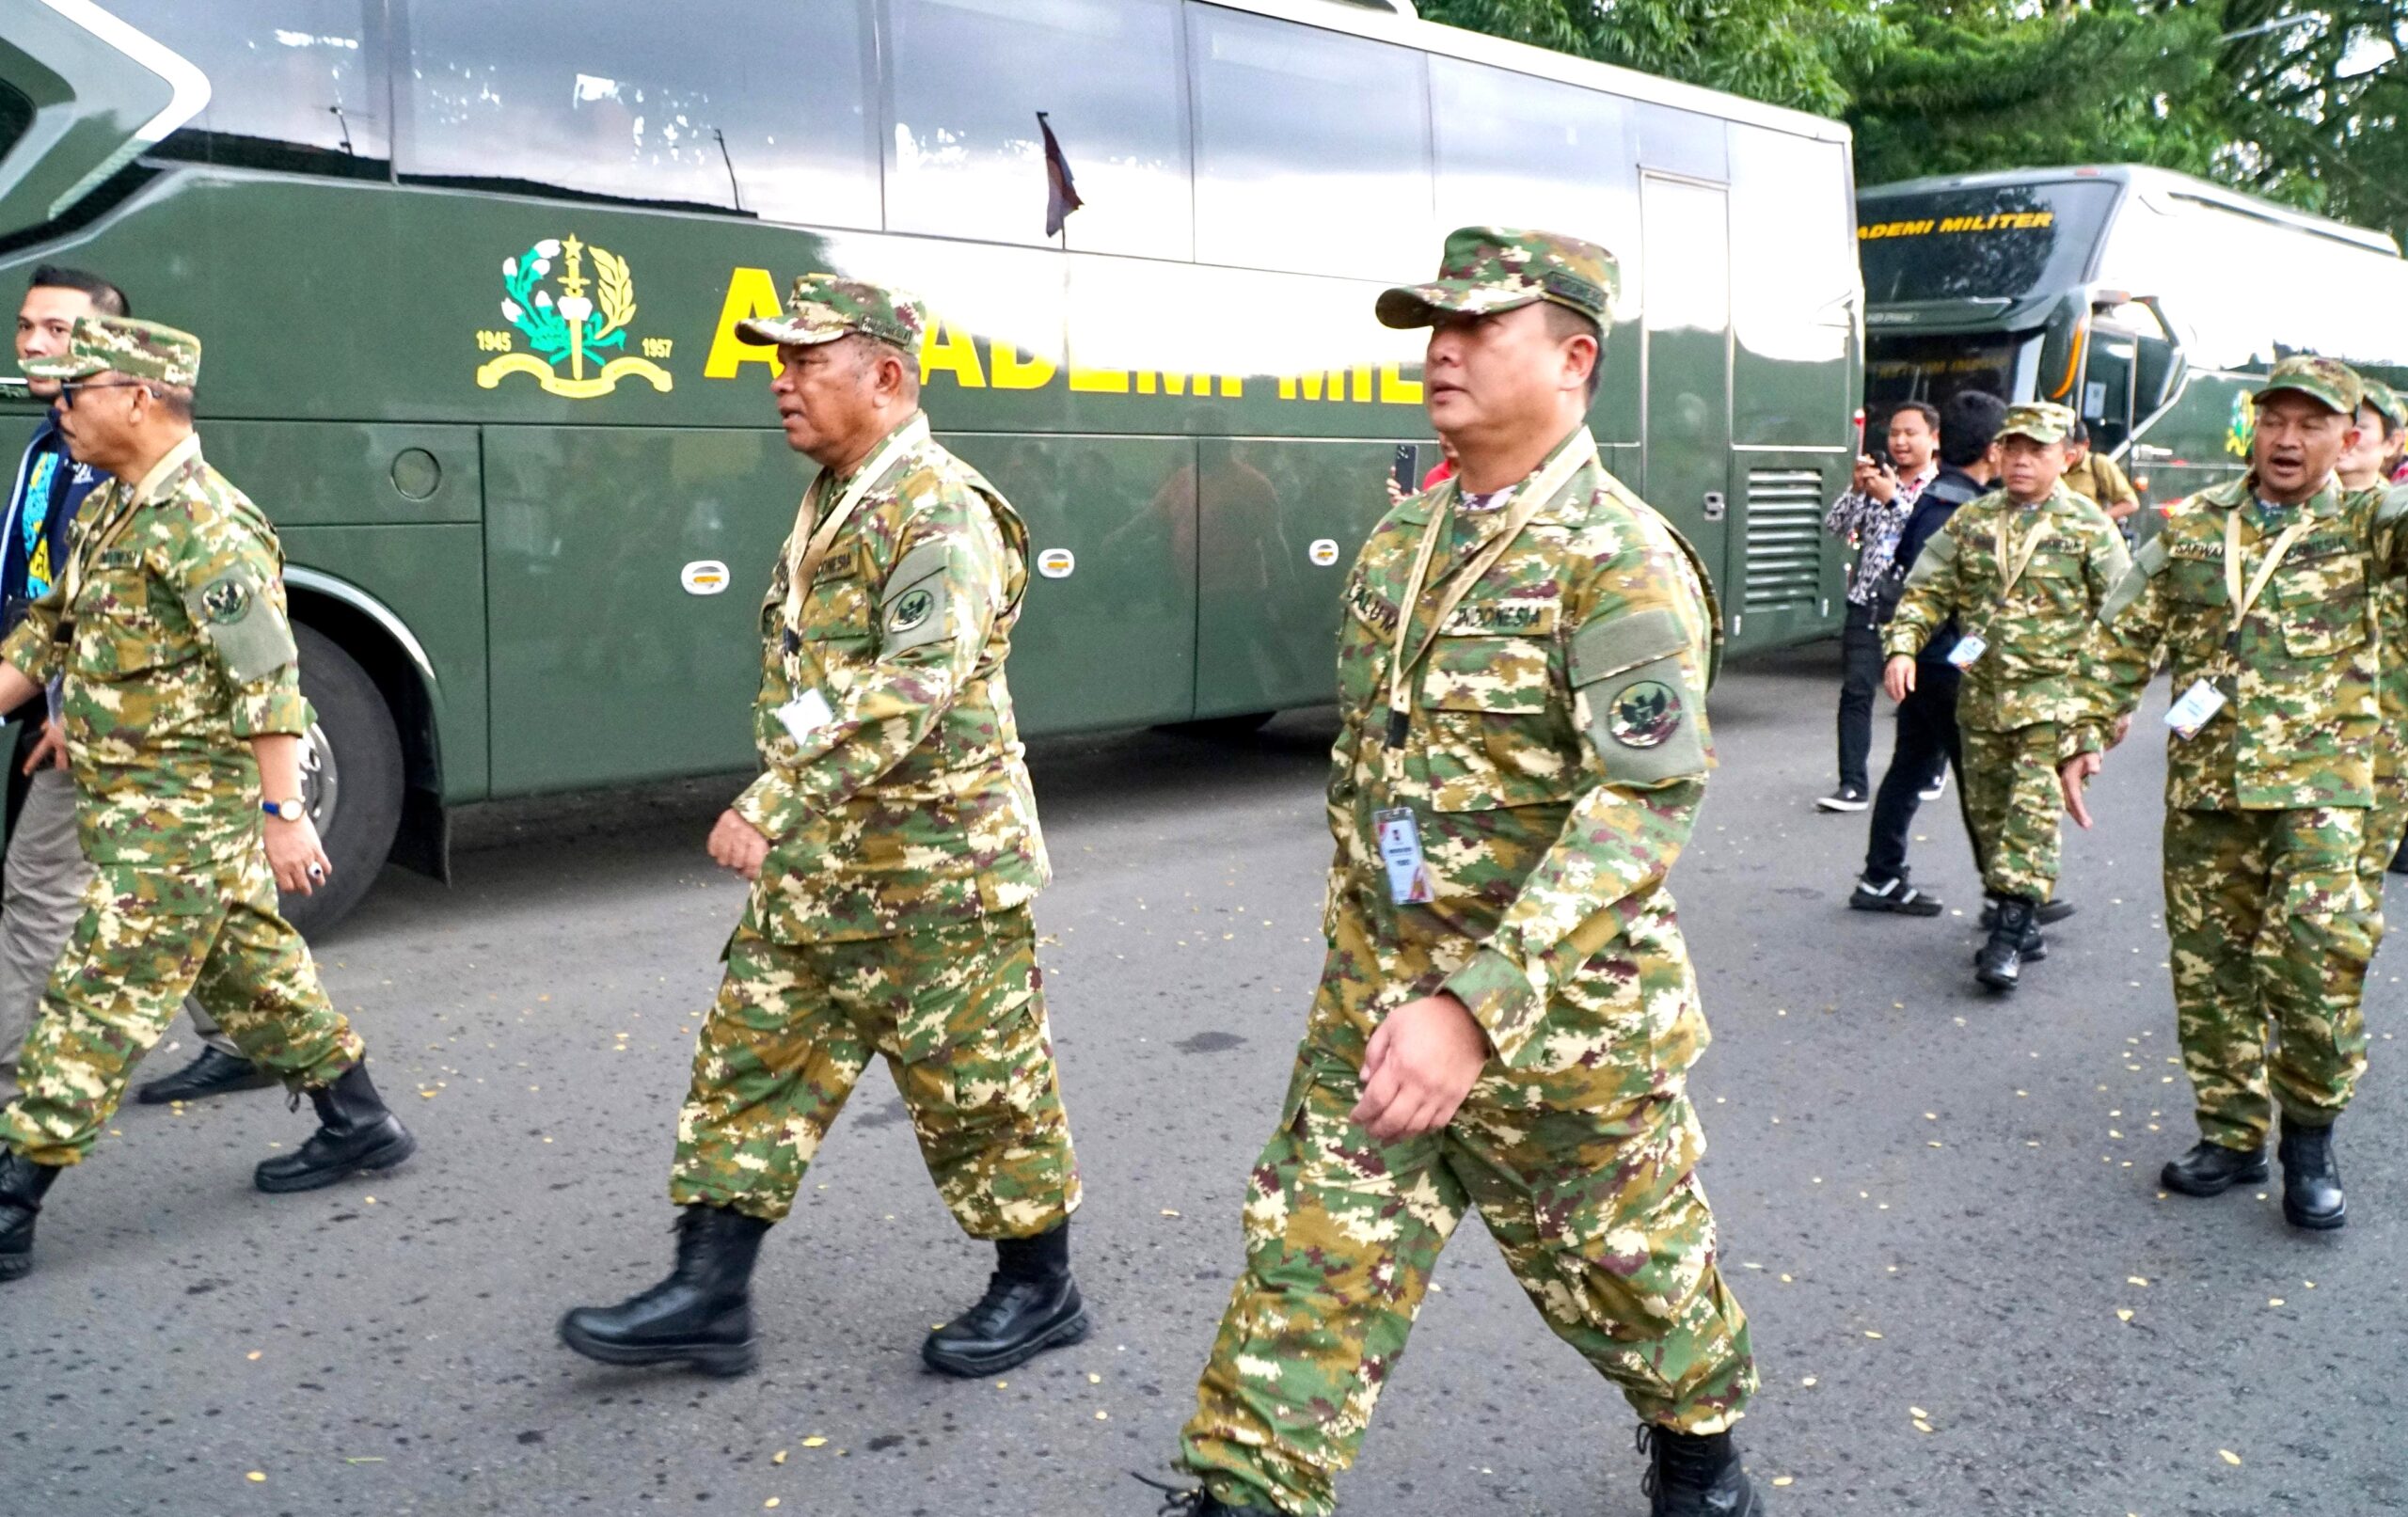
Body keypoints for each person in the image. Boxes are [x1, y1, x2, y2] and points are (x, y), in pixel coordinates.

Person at [1152, 229, 1761, 1517]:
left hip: (1560, 1034)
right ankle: (1238, 1491)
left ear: (1574, 358)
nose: (1442, 345)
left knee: (1631, 1281)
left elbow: (1643, 801)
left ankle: (1699, 1443)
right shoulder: (1400, 541)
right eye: (1434, 321)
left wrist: (1477, 1005)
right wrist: (1374, 972)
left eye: (1480, 325)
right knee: (1306, 1270)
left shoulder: (1620, 557)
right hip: (1379, 1007)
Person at [559, 275, 1085, 1380]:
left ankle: (1040, 1286)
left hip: (936, 875)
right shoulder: (841, 493)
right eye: (779, 360)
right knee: (748, 1062)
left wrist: (772, 799)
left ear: (885, 377)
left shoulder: (939, 509)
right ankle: (708, 1290)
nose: (779, 381)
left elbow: (913, 685)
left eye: (805, 361)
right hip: (822, 871)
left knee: (981, 1092)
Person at [0, 315, 416, 1281]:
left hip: (179, 820)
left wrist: (285, 814)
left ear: (137, 399)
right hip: (131, 805)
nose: (58, 405)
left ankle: (12, 1201)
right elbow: (48, 637)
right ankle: (360, 1122)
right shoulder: (112, 509)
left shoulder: (205, 520)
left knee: (94, 1001)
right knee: (255, 976)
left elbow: (268, 679)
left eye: (78, 390)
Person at [2060, 356, 2408, 1231]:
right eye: (2275, 420)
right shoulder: (2194, 526)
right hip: (2209, 787)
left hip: (2325, 795)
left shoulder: (2369, 520)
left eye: (2312, 424)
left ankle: (2310, 1136)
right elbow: (2122, 634)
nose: (2288, 440)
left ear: (2349, 436)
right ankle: (2233, 1132)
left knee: (2315, 965)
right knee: (2209, 972)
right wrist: (2083, 729)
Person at [0, 267, 274, 1108]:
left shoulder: (161, 494)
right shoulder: (57, 450)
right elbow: (50, 605)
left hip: (119, 734)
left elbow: (263, 669)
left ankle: (19, 1087)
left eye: (61, 333)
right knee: (207, 899)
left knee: (50, 893)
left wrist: (285, 809)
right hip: (74, 711)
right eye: (27, 327)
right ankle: (278, 1053)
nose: (38, 347)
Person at [1881, 403, 2129, 990]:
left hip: (2056, 702)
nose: (2020, 461)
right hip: (1983, 697)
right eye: (2011, 449)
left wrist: (2112, 707)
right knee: (1988, 815)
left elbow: (2126, 622)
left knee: (2031, 815)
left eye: (2037, 451)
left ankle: (2008, 937)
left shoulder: (2089, 526)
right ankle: (2020, 911)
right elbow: (1926, 589)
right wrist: (1903, 647)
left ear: (2065, 457)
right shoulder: (1972, 520)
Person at [1848, 389, 2005, 916]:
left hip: (1924, 660)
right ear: (1992, 449)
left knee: (1911, 769)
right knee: (1981, 781)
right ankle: (2006, 892)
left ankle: (1881, 877)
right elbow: (1940, 597)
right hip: (1946, 665)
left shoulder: (1938, 497)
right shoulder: (1962, 510)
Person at [1819, 401, 1939, 812]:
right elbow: (1835, 526)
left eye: (1911, 433)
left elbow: (1930, 541)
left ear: (1933, 439)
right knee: (1855, 691)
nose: (1901, 442)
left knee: (1926, 695)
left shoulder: (1940, 491)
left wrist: (1893, 500)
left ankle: (1931, 765)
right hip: (1867, 602)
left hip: (1919, 609)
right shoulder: (1877, 482)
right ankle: (1852, 783)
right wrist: (1857, 489)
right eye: (1894, 434)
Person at [2339, 379, 2408, 881]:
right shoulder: (2254, 520)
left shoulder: (2396, 522)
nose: (2344, 438)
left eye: (2359, 427)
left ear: (2392, 445)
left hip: (2378, 738)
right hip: (2277, 744)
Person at [2059, 419, 2141, 533]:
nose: (2068, 455)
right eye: (2063, 449)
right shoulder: (2052, 464)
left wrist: (2098, 519)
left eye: (2074, 450)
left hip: (2086, 534)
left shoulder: (2099, 464)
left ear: (2086, 444)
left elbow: (2131, 504)